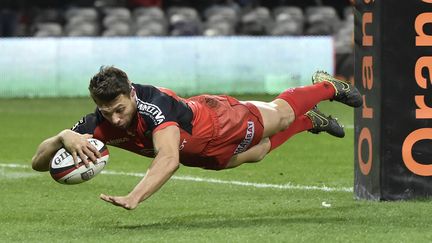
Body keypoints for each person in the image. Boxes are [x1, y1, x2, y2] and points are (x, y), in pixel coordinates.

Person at [31, 66, 362, 210]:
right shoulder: (97, 123)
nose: (115, 118)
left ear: (131, 94)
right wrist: (64, 136)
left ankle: (329, 87)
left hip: (221, 121)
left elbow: (169, 159)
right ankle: (310, 123)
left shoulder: (153, 107)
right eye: (106, 112)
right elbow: (38, 163)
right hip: (201, 153)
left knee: (281, 114)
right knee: (259, 153)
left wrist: (135, 196)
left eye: (119, 108)